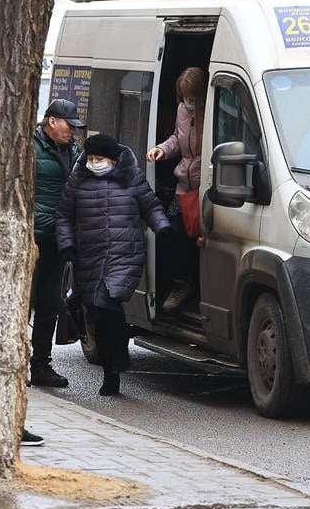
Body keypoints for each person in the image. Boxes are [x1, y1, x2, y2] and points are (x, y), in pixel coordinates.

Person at [57, 133, 172, 396]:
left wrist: (162, 227)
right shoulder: (77, 181)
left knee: (108, 301)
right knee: (97, 312)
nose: (94, 163)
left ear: (112, 159)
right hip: (88, 254)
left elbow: (151, 205)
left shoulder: (131, 177)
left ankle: (117, 362)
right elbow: (63, 216)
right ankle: (112, 367)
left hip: (125, 253)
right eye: (91, 158)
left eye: (99, 159)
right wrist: (67, 245)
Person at [29, 98, 86, 388]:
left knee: (50, 302)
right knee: (23, 303)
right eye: (69, 125)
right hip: (34, 238)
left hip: (58, 240)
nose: (73, 132)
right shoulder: (32, 147)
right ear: (52, 122)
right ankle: (14, 365)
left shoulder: (73, 151)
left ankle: (40, 365)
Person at [145, 66, 206, 313]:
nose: (188, 102)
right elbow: (176, 139)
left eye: (192, 98)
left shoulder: (216, 110)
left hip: (205, 189)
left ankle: (198, 288)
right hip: (184, 188)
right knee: (171, 231)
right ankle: (182, 284)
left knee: (199, 241)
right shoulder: (182, 110)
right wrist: (162, 149)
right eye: (184, 98)